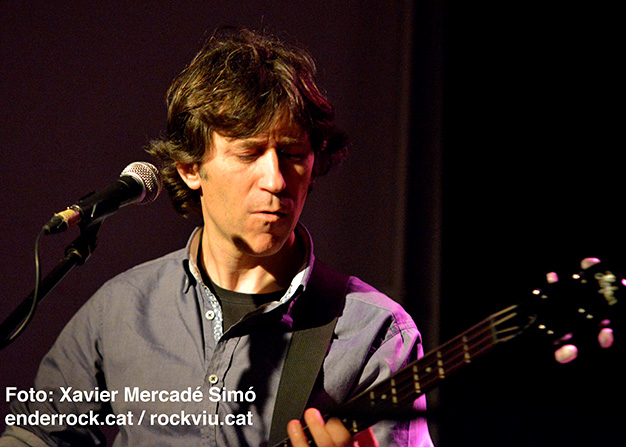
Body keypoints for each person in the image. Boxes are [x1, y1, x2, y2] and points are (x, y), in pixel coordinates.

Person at [1, 28, 433, 447]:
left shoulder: (375, 332)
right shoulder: (122, 309)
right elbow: (37, 435)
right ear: (190, 167)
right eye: (249, 152)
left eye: (292, 154)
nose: (276, 180)